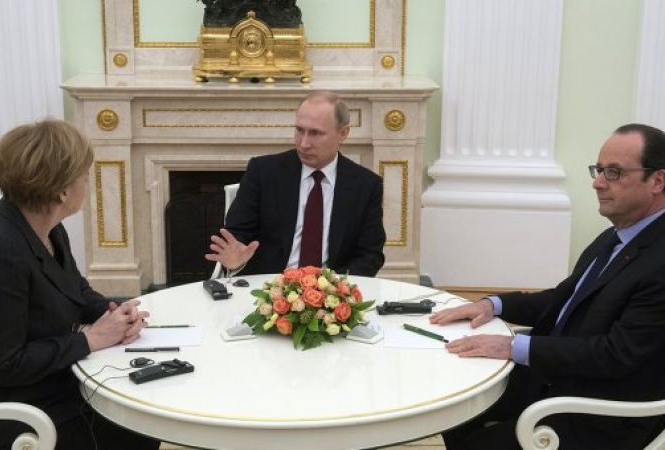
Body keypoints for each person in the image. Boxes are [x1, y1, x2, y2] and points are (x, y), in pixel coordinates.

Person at [430, 124, 665, 450]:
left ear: (658, 181)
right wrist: (493, 305)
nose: (598, 182)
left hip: (604, 412)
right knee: (458, 401)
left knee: (480, 443)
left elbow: (615, 354)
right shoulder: (617, 236)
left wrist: (513, 346)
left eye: (614, 172)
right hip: (563, 378)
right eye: (599, 170)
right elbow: (565, 298)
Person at [0, 120, 159, 450]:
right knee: (137, 431)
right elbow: (5, 365)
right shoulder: (2, 249)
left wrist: (115, 313)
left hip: (60, 381)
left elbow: (75, 288)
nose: (88, 182)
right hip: (26, 410)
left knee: (144, 412)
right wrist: (90, 339)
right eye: (85, 175)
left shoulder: (49, 228)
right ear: (63, 191)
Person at [205, 91, 386, 276]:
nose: (304, 143)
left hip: (332, 286)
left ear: (343, 133)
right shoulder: (263, 172)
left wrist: (333, 284)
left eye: (315, 133)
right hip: (269, 285)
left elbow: (370, 254)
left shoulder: (366, 185)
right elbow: (237, 235)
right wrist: (235, 261)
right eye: (299, 130)